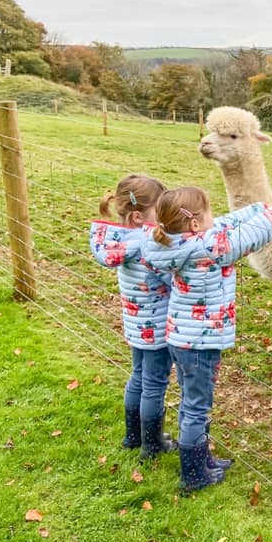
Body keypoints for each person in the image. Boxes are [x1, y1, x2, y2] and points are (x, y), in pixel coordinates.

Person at [142, 185, 272, 492]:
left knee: (193, 402)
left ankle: (202, 461)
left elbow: (226, 224)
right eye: (207, 213)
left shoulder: (174, 241)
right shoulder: (208, 247)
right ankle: (193, 476)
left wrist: (263, 207)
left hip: (182, 337)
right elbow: (246, 237)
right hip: (200, 343)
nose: (213, 218)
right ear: (194, 224)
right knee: (196, 407)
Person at [89, 174, 175, 460]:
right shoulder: (149, 244)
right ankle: (151, 445)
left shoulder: (119, 240)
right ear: (139, 216)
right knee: (154, 384)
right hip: (158, 325)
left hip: (136, 323)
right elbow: (169, 279)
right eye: (158, 211)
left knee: (138, 377)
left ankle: (133, 436)